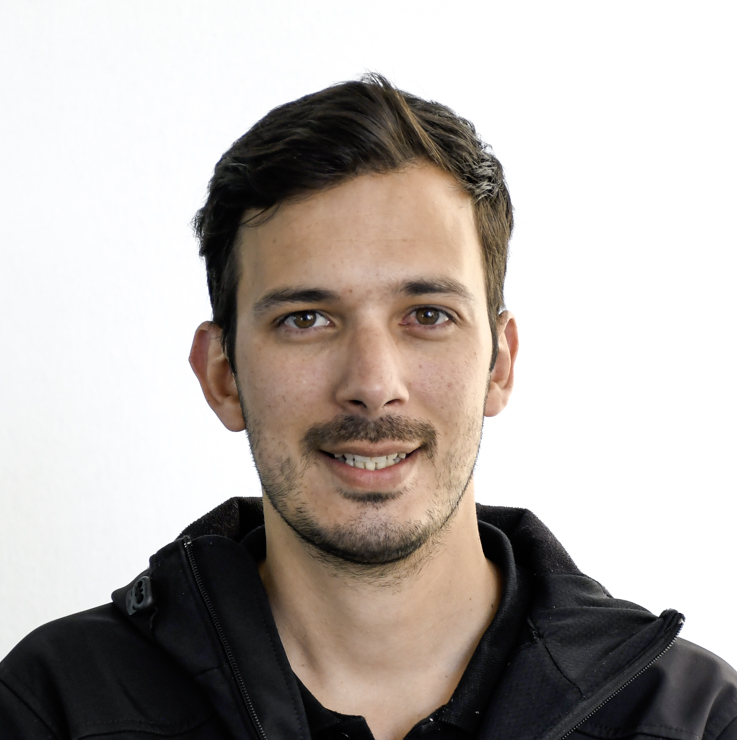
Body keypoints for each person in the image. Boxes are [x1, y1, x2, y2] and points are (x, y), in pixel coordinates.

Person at [1, 74, 736, 740]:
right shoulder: (55, 707)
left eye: (428, 315)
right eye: (306, 319)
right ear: (223, 375)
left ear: (499, 363)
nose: (373, 383)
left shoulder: (692, 719)